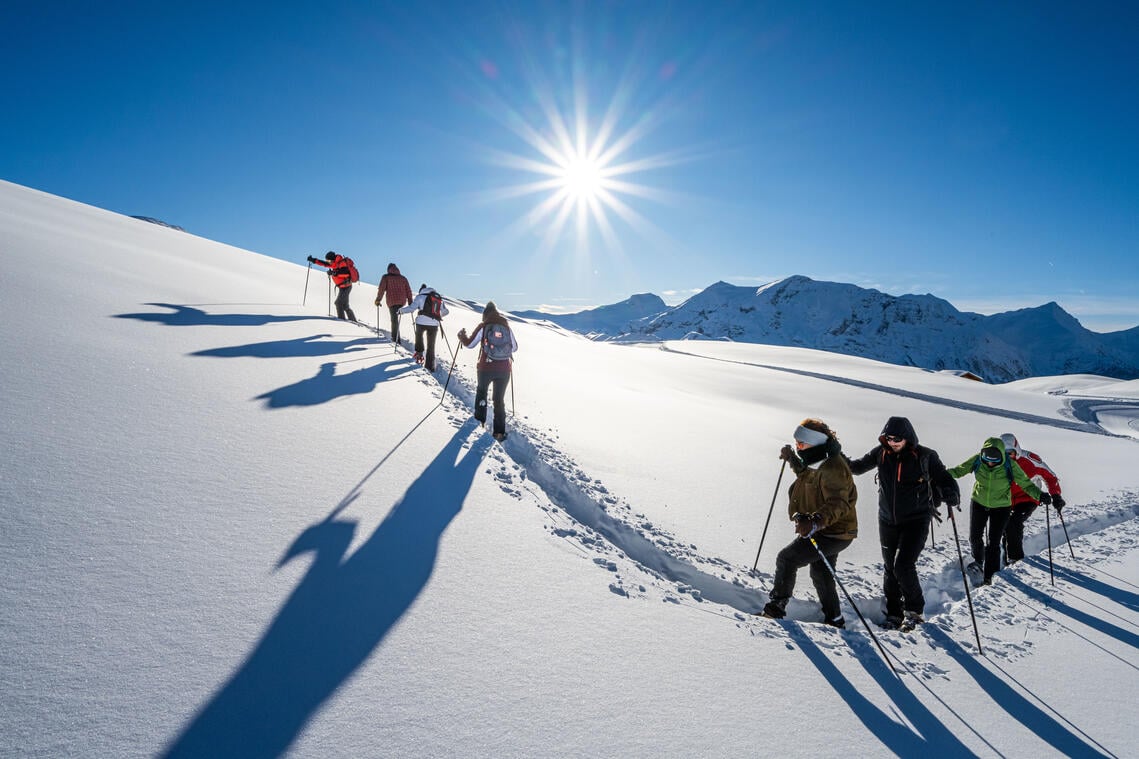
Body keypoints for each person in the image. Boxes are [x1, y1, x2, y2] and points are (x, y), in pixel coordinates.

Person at [848, 417, 959, 631]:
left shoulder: (925, 455)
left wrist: (951, 493)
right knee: (890, 568)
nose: (892, 442)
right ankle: (893, 613)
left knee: (903, 566)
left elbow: (944, 477)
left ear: (907, 437)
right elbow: (857, 467)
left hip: (916, 520)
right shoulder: (880, 453)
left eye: (897, 438)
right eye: (888, 438)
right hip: (887, 519)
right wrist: (834, 453)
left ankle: (914, 612)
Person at [763, 418, 859, 628]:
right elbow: (807, 476)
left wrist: (816, 521)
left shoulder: (833, 466)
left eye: (801, 444)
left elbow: (838, 503)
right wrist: (792, 459)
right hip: (829, 529)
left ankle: (775, 608)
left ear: (815, 442)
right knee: (821, 572)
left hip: (834, 531)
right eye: (796, 442)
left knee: (787, 559)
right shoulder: (819, 457)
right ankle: (835, 619)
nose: (798, 446)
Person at [947, 437, 1049, 586]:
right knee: (975, 537)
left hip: (1001, 507)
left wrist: (1040, 495)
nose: (990, 463)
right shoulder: (977, 460)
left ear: (1001, 455)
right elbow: (958, 471)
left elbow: (1026, 484)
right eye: (987, 459)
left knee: (993, 542)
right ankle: (978, 561)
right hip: (979, 502)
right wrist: (940, 476)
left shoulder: (1010, 465)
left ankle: (990, 577)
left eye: (994, 460)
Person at [999, 433, 1065, 565]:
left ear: (1017, 450)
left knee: (1014, 522)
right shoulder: (997, 462)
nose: (1008, 457)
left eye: (1010, 453)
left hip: (1028, 498)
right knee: (1005, 527)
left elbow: (1050, 477)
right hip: (1006, 499)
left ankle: (1015, 559)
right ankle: (1004, 558)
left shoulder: (1030, 460)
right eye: (1004, 454)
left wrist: (1056, 495)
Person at [457, 302, 518, 441]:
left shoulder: (484, 326)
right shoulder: (506, 327)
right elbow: (514, 348)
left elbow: (470, 344)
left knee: (482, 393)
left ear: (485, 314)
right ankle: (499, 433)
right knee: (499, 399)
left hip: (486, 367)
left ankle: (480, 422)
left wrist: (462, 336)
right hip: (504, 369)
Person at [400, 284, 448, 371]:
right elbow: (446, 311)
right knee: (431, 345)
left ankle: (419, 354)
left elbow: (411, 308)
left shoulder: (420, 297)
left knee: (419, 336)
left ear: (421, 290)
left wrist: (401, 311)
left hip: (421, 322)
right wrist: (437, 315)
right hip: (434, 324)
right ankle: (430, 367)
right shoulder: (437, 297)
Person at [307, 251, 357, 321]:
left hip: (346, 287)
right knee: (345, 305)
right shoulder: (334, 263)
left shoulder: (342, 263)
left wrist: (334, 273)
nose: (328, 262)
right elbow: (324, 264)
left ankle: (341, 319)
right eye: (327, 260)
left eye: (328, 260)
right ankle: (352, 320)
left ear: (332, 259)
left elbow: (346, 274)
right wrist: (314, 260)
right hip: (342, 287)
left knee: (338, 303)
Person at [374, 262, 414, 344]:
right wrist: (410, 302)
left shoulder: (386, 277)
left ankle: (396, 340)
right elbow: (408, 291)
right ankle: (396, 338)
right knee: (396, 320)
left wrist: (378, 300)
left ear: (388, 269)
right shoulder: (403, 278)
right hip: (402, 302)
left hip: (392, 302)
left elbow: (381, 290)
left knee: (394, 321)